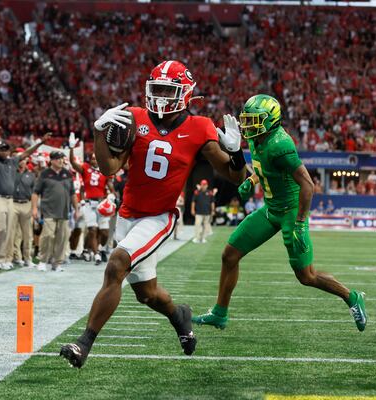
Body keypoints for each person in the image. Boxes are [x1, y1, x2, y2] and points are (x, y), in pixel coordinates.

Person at [60, 60, 246, 369]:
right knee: (146, 294)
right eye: (156, 89)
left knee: (116, 264)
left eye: (167, 90)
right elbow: (109, 168)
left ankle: (83, 344)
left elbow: (236, 177)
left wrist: (237, 152)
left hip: (160, 216)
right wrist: (98, 133)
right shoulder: (134, 117)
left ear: (184, 93)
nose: (160, 96)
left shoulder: (199, 126)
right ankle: (180, 316)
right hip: (128, 213)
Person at [192, 94, 368, 333]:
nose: (249, 125)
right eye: (248, 120)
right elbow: (266, 169)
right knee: (229, 255)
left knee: (306, 276)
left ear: (270, 120)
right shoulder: (257, 139)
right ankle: (219, 313)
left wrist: (300, 222)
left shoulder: (280, 144)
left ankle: (352, 296)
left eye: (255, 120)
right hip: (271, 209)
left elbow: (307, 183)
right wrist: (253, 179)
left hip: (290, 212)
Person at [0, 117, 49, 270]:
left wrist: (40, 142)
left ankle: (3, 259)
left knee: (7, 231)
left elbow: (27, 153)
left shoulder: (12, 161)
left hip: (9, 199)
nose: (4, 151)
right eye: (1, 149)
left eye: (6, 149)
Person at [69, 137, 115, 265]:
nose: (94, 160)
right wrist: (71, 148)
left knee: (105, 232)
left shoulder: (105, 170)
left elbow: (110, 184)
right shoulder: (85, 168)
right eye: (92, 158)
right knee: (92, 230)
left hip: (101, 203)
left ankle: (100, 248)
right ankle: (96, 255)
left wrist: (113, 195)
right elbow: (73, 163)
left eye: (96, 158)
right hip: (89, 203)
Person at [32, 151, 79, 272]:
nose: (60, 161)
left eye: (62, 159)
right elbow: (36, 192)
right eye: (57, 159)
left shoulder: (67, 174)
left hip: (64, 212)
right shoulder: (44, 174)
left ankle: (57, 263)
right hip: (48, 211)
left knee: (62, 238)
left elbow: (72, 193)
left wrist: (76, 209)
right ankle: (43, 261)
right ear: (51, 160)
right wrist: (34, 208)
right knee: (47, 236)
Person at [9, 157, 36, 267]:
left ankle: (28, 258)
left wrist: (34, 208)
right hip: (13, 202)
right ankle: (16, 257)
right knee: (13, 233)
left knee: (28, 234)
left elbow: (35, 193)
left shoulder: (32, 175)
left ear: (27, 161)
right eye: (19, 159)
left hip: (27, 203)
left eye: (23, 159)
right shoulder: (10, 172)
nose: (21, 161)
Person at [191, 179, 214, 244]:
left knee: (205, 226)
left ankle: (203, 238)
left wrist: (213, 210)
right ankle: (196, 238)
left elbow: (212, 202)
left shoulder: (210, 193)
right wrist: (192, 209)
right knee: (197, 225)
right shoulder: (197, 192)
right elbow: (193, 202)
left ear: (207, 185)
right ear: (201, 185)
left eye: (205, 185)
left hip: (207, 212)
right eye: (202, 185)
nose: (204, 186)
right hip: (198, 212)